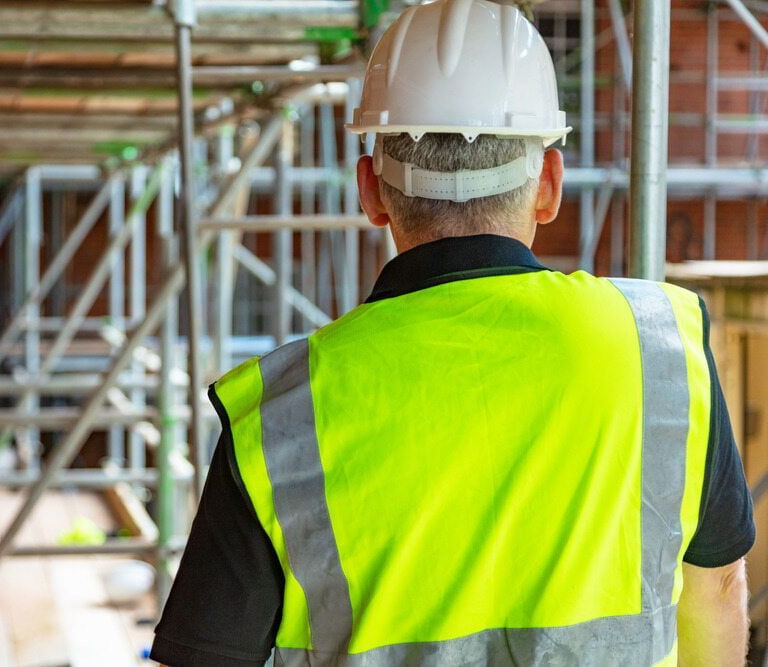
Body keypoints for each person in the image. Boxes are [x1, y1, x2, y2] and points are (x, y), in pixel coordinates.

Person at [150, 1, 755, 665]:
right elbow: (718, 590)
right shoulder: (663, 347)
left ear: (371, 193)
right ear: (549, 185)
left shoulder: (280, 415)